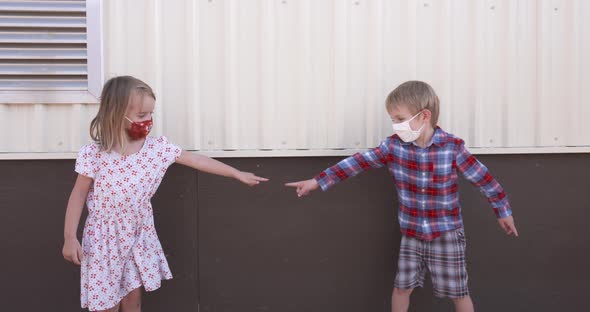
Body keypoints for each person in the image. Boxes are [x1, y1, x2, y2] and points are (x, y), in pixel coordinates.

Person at [285, 80, 518, 312]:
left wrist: (503, 211)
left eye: (399, 119)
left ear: (423, 116)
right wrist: (317, 181)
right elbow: (357, 163)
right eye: (393, 120)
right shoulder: (392, 147)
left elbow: (484, 180)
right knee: (401, 289)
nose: (395, 125)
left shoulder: (452, 147)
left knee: (458, 292)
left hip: (446, 233)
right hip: (412, 234)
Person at [62, 76, 268, 312]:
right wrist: (70, 237)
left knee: (132, 300)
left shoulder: (157, 149)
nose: (148, 120)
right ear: (117, 114)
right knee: (106, 304)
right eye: (141, 116)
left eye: (150, 114)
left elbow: (195, 159)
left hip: (137, 234)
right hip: (103, 239)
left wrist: (235, 173)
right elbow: (78, 196)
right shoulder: (94, 154)